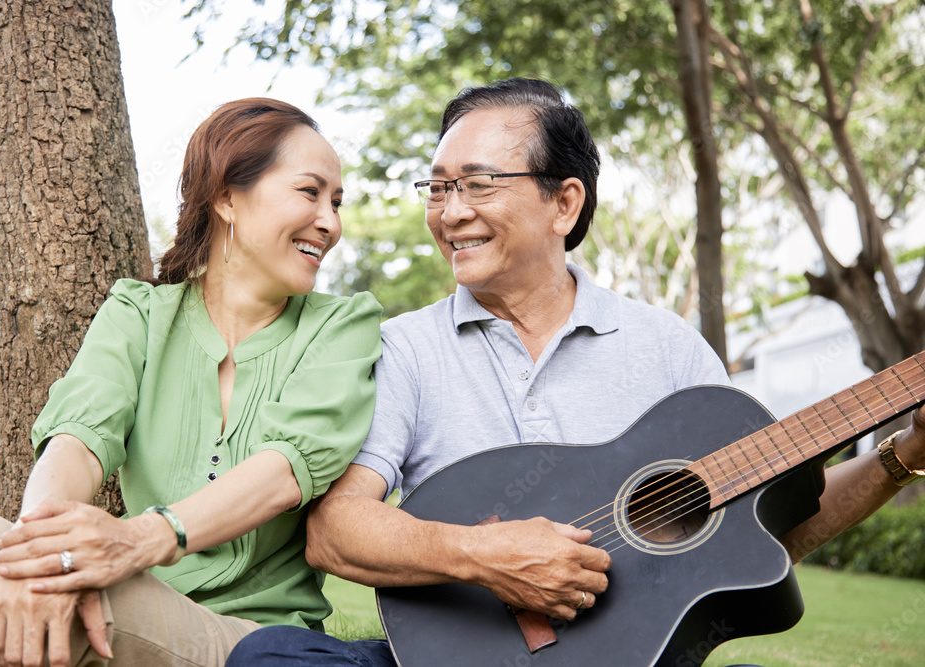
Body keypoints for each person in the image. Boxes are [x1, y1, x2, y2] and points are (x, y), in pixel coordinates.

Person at [226, 78, 925, 666]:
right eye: (438, 188)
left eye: (478, 184)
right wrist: (482, 554)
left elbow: (776, 529)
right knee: (270, 657)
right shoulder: (403, 347)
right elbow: (336, 528)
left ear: (565, 202)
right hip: (451, 654)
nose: (451, 212)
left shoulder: (668, 347)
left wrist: (905, 454)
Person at [0, 97, 382, 667]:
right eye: (310, 193)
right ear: (226, 196)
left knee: (36, 591)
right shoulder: (139, 312)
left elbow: (286, 470)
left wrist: (133, 542)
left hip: (243, 634)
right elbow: (79, 438)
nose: (331, 223)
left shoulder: (344, 324)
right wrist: (40, 555)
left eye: (336, 202)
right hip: (133, 592)